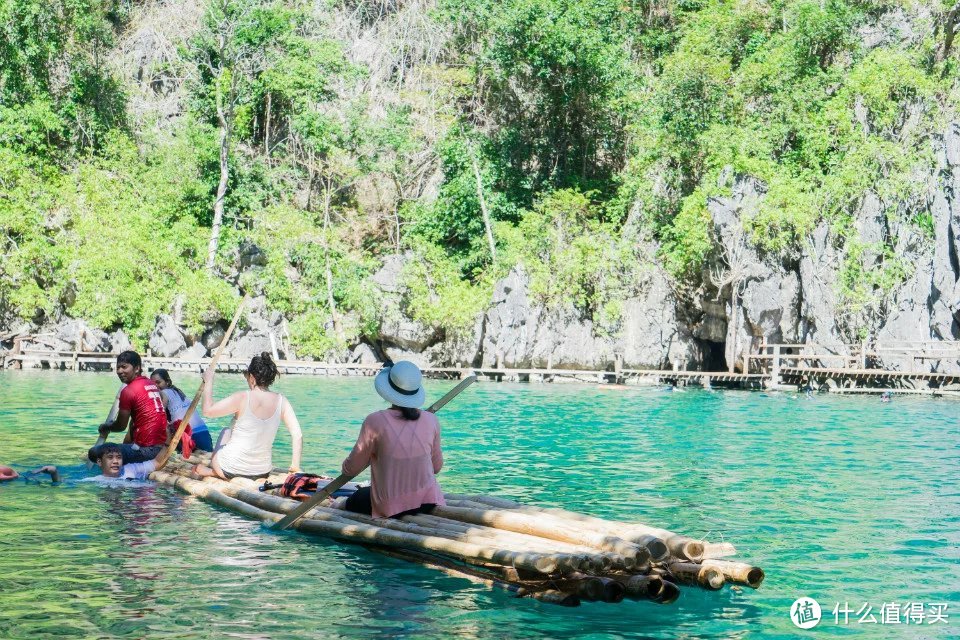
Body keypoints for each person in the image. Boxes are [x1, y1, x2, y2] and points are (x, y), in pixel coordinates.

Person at [335, 361, 445, 519]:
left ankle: (338, 504)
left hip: (391, 506)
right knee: (365, 493)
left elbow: (351, 469)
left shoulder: (375, 421)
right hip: (428, 501)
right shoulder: (431, 420)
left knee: (356, 497)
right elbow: (436, 467)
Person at [193, 352, 302, 480]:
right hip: (262, 472)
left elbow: (208, 411)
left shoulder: (243, 397)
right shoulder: (282, 401)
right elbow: (297, 435)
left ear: (252, 377)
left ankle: (215, 472)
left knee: (226, 431)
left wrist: (209, 380)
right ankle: (217, 472)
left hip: (230, 468)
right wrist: (294, 467)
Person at [98, 351, 168, 463]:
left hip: (147, 450)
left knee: (95, 452)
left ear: (136, 368)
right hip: (162, 447)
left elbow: (120, 426)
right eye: (118, 367)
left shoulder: (128, 391)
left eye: (124, 367)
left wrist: (105, 427)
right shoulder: (150, 383)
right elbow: (164, 398)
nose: (119, 371)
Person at [150, 368, 213, 452]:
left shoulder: (164, 392)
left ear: (167, 382)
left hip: (190, 436)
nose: (155, 386)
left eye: (158, 382)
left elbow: (159, 416)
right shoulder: (179, 392)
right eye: (152, 384)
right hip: (204, 433)